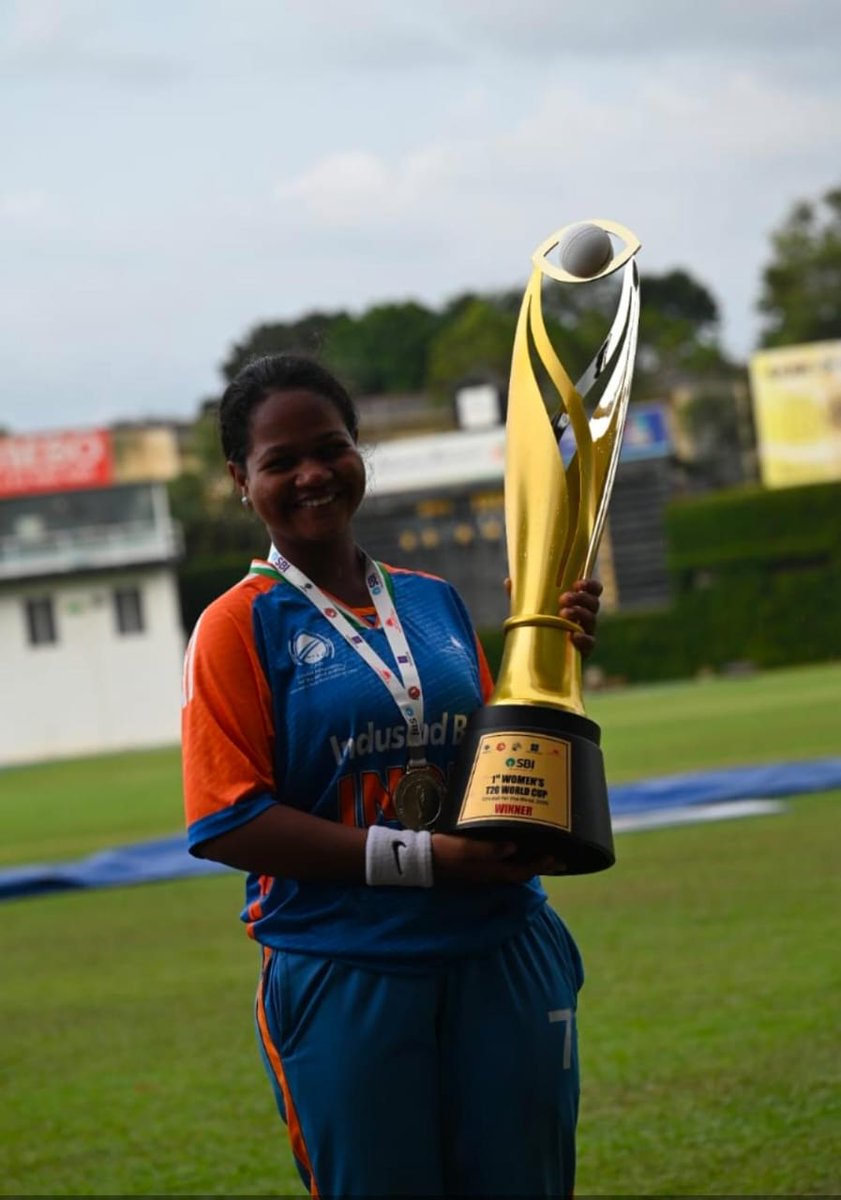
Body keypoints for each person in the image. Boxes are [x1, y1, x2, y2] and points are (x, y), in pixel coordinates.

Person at [181, 353, 603, 1198]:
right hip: (347, 966)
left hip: (501, 948)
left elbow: (491, 771)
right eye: (279, 461)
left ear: (358, 451)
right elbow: (227, 821)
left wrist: (548, 664)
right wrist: (422, 860)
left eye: (330, 447)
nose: (312, 474)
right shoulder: (238, 627)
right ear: (241, 478)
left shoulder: (433, 601)